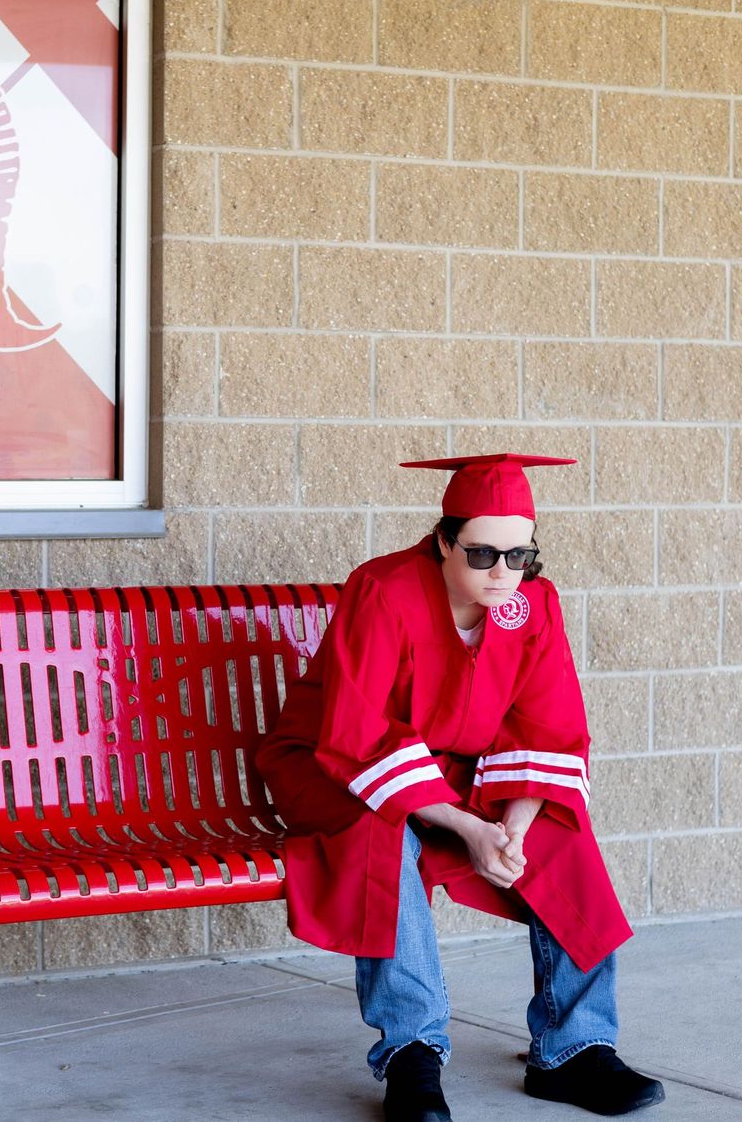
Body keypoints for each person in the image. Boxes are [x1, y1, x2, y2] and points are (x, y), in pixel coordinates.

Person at [256, 453, 664, 1121]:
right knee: (377, 836)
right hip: (333, 763)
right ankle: (413, 1052)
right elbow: (356, 730)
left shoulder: (531, 602)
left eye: (519, 553)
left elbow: (547, 727)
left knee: (561, 831)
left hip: (451, 765)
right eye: (481, 553)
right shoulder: (383, 589)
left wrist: (514, 828)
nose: (502, 572)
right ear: (443, 540)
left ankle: (576, 1047)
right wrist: (470, 827)